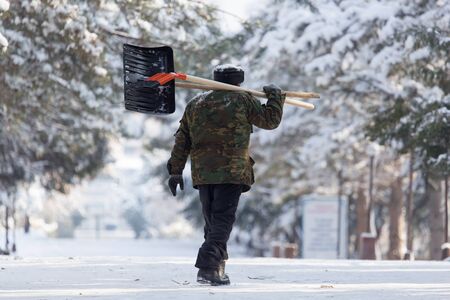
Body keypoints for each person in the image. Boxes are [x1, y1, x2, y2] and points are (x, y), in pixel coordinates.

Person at [167, 64, 286, 285]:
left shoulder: (196, 104)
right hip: (231, 171)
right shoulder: (242, 100)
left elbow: (182, 140)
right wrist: (276, 97)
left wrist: (175, 171)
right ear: (238, 81)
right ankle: (207, 266)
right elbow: (270, 121)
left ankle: (215, 270)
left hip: (204, 174)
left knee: (212, 223)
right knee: (222, 222)